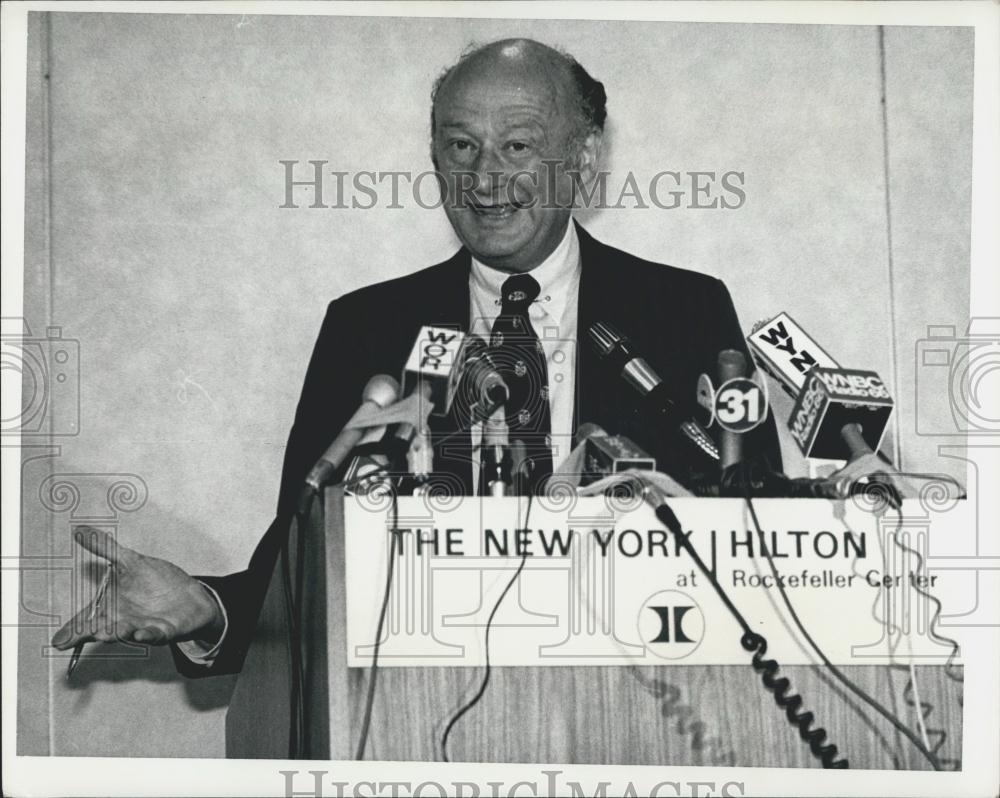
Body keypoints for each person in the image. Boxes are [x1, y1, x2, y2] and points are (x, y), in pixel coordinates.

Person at [51, 38, 781, 676]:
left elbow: (761, 529)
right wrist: (208, 608)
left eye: (518, 146)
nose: (484, 179)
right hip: (416, 712)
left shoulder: (683, 312)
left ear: (583, 160)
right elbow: (308, 550)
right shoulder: (367, 327)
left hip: (644, 693)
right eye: (460, 146)